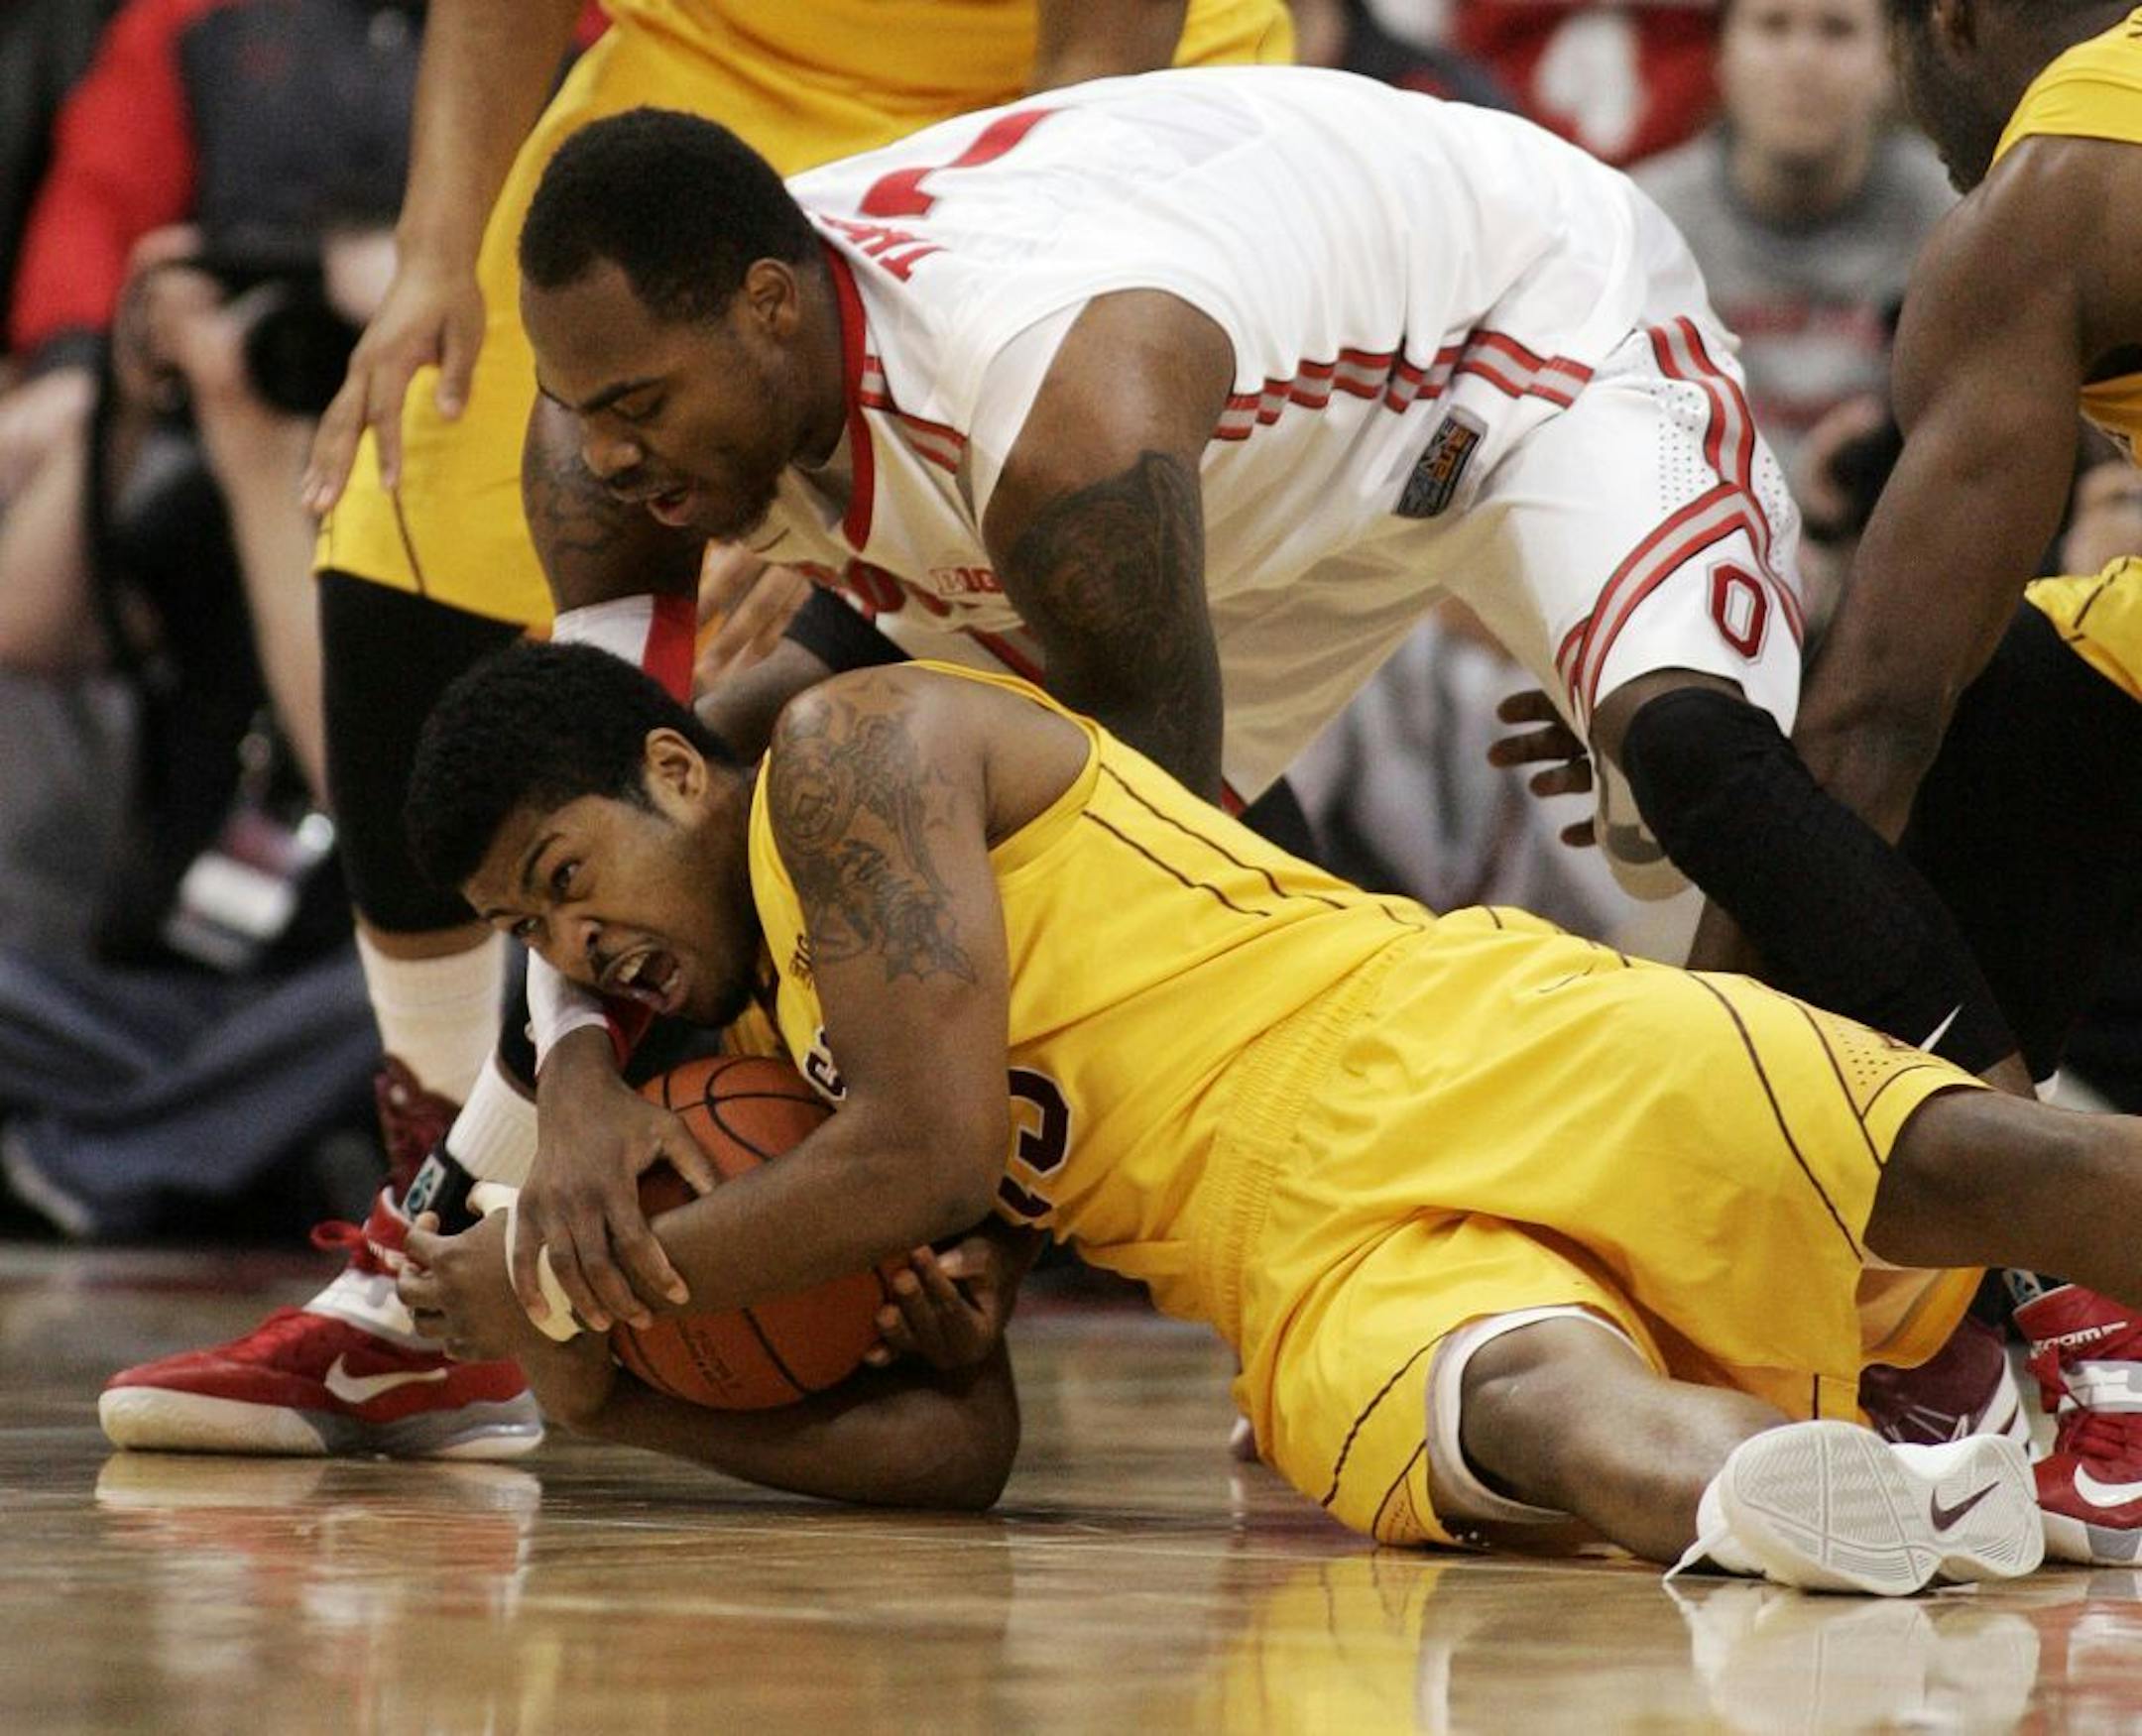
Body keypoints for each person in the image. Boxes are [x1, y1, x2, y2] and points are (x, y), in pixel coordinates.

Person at [100, 0, 1294, 1459]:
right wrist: (430, 256)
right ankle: (452, 1226)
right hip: (713, 75)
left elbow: (1085, 86)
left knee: (1085, 729)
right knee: (411, 502)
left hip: (1071, 127)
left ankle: (1270, 1234)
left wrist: (849, 488)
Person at [392, 637, 2142, 1594]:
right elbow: (954, 1453)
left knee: (1978, 1165)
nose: (575, 945)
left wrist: (569, 1290)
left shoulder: (850, 757)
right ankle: (1844, 1506)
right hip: (1282, 1263)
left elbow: (919, 1157)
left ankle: (1871, 1489)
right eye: (531, 936)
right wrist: (615, 1409)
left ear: (680, 773)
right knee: (1550, 1419)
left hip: (1424, 1028)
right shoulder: (777, 1050)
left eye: (565, 880)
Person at [1634, 0, 1952, 491]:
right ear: (1721, 54)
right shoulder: (1643, 226)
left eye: (1837, 31)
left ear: (1893, 58)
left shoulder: (1956, 223)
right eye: (1773, 25)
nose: (1802, 60)